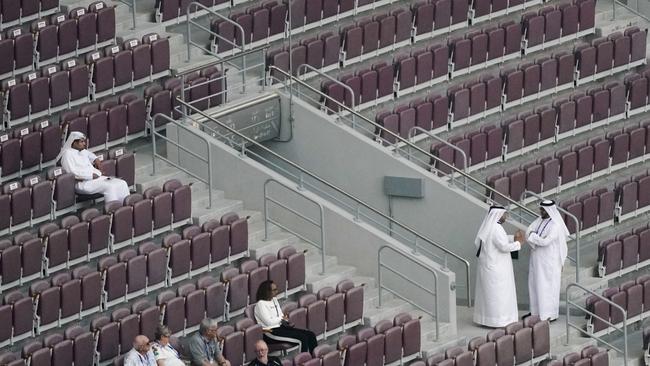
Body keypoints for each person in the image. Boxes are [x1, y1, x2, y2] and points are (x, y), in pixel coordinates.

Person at [473, 205, 523, 327]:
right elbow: (504, 246)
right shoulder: (496, 228)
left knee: (490, 296)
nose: (506, 217)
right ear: (499, 214)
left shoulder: (490, 226)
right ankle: (499, 321)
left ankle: (488, 319)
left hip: (489, 267)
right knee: (498, 296)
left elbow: (498, 240)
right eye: (505, 214)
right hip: (497, 269)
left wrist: (512, 238)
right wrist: (518, 243)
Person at [525, 200, 569, 322]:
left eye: (544, 210)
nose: (541, 212)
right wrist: (535, 237)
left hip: (549, 262)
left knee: (546, 287)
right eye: (541, 209)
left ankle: (548, 315)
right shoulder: (538, 220)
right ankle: (535, 313)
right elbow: (528, 232)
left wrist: (534, 236)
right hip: (536, 258)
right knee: (534, 284)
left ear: (550, 211)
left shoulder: (555, 225)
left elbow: (545, 241)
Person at [58, 131, 130, 203]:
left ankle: (125, 207)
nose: (84, 144)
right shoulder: (67, 155)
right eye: (82, 142)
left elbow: (92, 156)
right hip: (83, 183)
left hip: (96, 178)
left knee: (122, 183)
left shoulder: (82, 151)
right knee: (110, 187)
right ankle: (113, 209)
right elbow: (72, 173)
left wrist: (97, 161)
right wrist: (90, 176)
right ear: (74, 143)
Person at [254, 280, 318, 353]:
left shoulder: (274, 300)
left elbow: (280, 315)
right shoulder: (260, 304)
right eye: (274, 290)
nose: (277, 291)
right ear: (267, 292)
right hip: (270, 332)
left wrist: (283, 319)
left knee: (310, 334)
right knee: (302, 338)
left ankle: (314, 359)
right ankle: (302, 362)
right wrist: (281, 318)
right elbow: (269, 323)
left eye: (276, 289)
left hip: (281, 328)